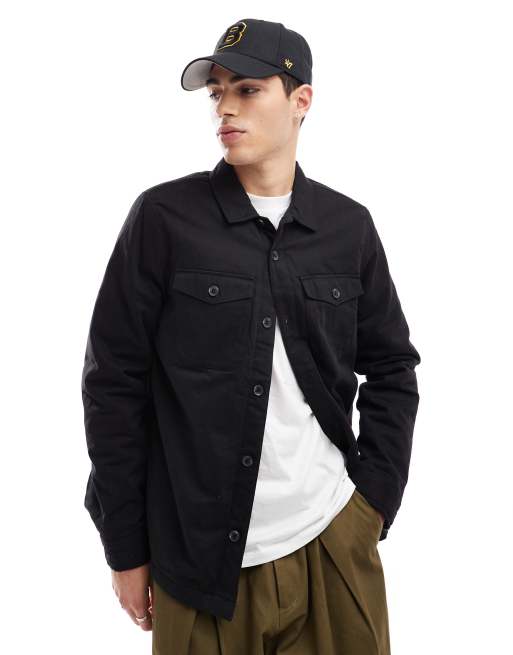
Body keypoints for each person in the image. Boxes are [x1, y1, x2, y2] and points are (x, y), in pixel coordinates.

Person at [81, 17, 421, 654]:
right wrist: (124, 546)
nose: (225, 109)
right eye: (217, 92)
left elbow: (392, 367)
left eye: (247, 90)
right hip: (198, 560)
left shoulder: (348, 227)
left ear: (301, 100)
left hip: (332, 539)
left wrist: (372, 501)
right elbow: (113, 387)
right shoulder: (163, 219)